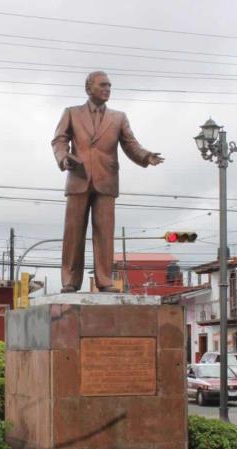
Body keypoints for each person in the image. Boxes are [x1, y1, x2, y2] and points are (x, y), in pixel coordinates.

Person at [51, 71, 164, 293]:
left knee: (105, 233)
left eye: (110, 86)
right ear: (88, 88)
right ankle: (70, 281)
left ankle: (105, 280)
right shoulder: (72, 113)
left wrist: (145, 156)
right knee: (73, 233)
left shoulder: (118, 117)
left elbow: (131, 144)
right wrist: (64, 158)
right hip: (78, 177)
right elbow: (59, 139)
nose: (107, 89)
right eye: (103, 85)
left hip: (107, 180)